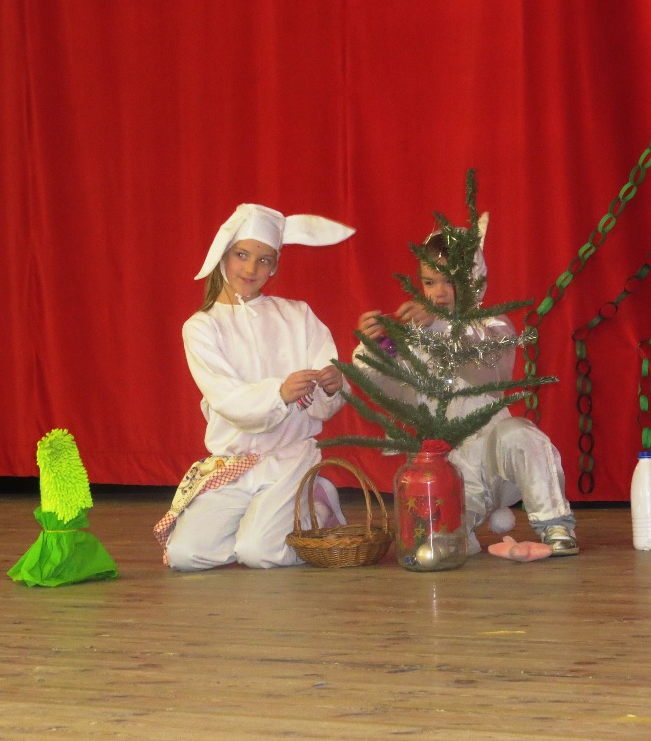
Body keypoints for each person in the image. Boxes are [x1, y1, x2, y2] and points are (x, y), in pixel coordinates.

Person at [353, 218, 579, 558]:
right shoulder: (414, 340)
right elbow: (392, 391)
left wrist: (438, 327)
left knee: (521, 435)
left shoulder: (492, 324)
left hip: (497, 456)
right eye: (430, 282)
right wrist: (372, 350)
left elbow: (485, 365)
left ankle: (555, 524)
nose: (439, 292)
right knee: (436, 547)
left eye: (451, 281)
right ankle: (458, 537)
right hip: (452, 467)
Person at [155, 203, 355, 571]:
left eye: (264, 260)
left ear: (274, 266)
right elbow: (227, 398)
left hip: (289, 459)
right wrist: (279, 393)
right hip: (234, 463)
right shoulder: (202, 327)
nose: (250, 269)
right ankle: (262, 525)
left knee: (260, 552)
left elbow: (326, 395)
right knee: (186, 554)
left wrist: (332, 385)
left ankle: (315, 506)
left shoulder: (298, 315)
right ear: (223, 255)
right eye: (242, 255)